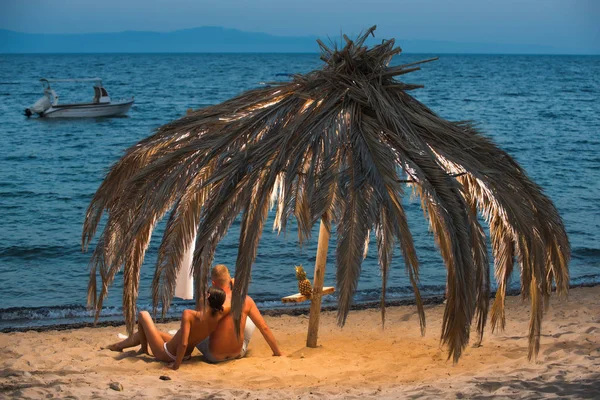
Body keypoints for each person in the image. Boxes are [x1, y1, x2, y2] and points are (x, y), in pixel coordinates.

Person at [106, 287, 228, 370]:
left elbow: (183, 343)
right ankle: (118, 346)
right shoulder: (219, 315)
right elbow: (234, 303)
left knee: (143, 315)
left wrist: (176, 365)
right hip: (186, 355)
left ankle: (143, 349)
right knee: (152, 333)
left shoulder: (190, 314)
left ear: (207, 297)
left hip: (167, 354)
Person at [195, 264, 283, 362]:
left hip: (214, 356)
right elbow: (264, 328)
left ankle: (185, 355)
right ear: (229, 280)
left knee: (194, 326)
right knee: (249, 319)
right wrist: (277, 352)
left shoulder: (206, 300)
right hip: (238, 353)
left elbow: (197, 324)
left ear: (213, 283)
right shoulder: (245, 300)